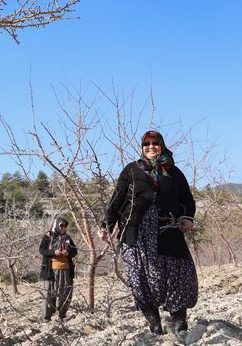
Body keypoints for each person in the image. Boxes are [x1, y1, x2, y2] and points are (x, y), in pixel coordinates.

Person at [101, 130, 198, 335]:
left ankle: (179, 322)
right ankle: (154, 324)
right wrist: (106, 226)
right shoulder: (131, 171)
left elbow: (187, 200)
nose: (151, 147)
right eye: (147, 144)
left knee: (177, 275)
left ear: (162, 145)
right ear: (142, 147)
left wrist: (187, 217)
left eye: (155, 143)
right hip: (135, 235)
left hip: (167, 233)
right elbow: (116, 200)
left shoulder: (174, 172)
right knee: (140, 278)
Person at [38, 216, 77, 323]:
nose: (63, 228)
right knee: (49, 293)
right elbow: (42, 250)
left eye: (65, 226)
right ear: (56, 225)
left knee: (65, 293)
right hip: (51, 271)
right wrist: (54, 252)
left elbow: (75, 251)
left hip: (66, 270)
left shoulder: (68, 238)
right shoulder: (48, 236)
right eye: (61, 226)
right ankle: (47, 317)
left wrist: (68, 253)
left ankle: (62, 315)